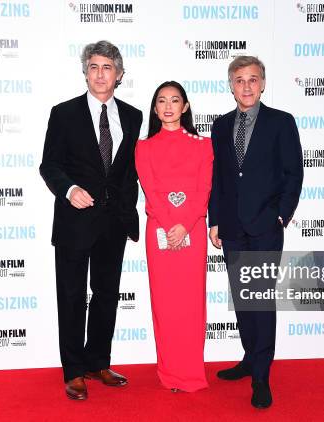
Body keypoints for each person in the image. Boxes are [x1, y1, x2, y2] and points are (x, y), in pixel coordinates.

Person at [39, 40, 143, 401]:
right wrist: (68, 190)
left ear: (119, 74)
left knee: (106, 296)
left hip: (113, 223)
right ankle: (74, 370)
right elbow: (49, 164)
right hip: (74, 221)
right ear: (85, 72)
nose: (100, 74)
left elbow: (128, 171)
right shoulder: (63, 113)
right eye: (94, 67)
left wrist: (129, 213)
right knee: (70, 296)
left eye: (107, 67)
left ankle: (99, 361)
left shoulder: (132, 116)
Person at [208, 56, 303, 409]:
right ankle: (250, 358)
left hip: (265, 225)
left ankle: (261, 375)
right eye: (238, 80)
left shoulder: (281, 122)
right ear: (230, 85)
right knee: (243, 297)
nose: (246, 86)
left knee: (260, 300)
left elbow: (294, 173)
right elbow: (217, 178)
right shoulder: (220, 126)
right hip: (231, 227)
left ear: (262, 83)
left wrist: (281, 215)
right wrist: (214, 220)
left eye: (252, 79)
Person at [135, 81, 213, 392]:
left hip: (192, 229)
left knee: (191, 303)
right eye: (162, 101)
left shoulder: (203, 145)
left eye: (175, 100)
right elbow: (150, 191)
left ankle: (192, 373)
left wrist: (185, 224)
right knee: (165, 305)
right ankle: (169, 373)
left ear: (185, 106)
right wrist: (171, 225)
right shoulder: (144, 147)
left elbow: (203, 189)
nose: (168, 106)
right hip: (160, 231)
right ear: (155, 109)